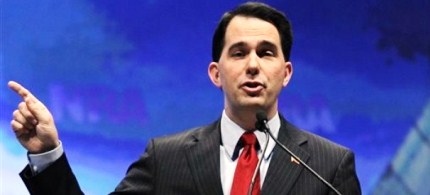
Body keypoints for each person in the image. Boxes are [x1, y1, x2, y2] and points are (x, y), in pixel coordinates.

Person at [8, 2, 361, 195]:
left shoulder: (329, 166)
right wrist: (47, 154)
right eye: (239, 53)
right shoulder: (166, 158)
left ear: (286, 73)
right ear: (215, 73)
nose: (253, 65)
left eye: (266, 53)